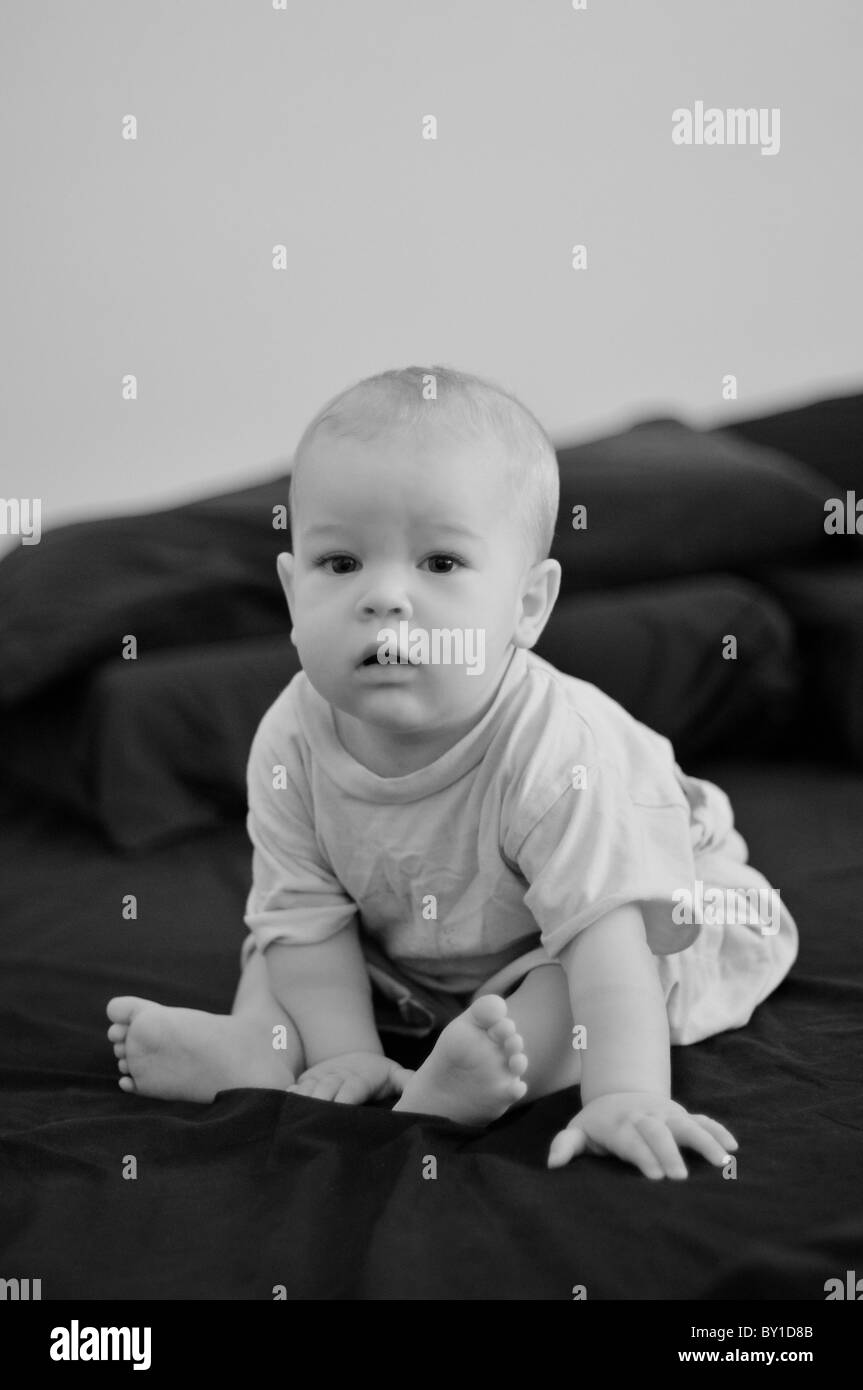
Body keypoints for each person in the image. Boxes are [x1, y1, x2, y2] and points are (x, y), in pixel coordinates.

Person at [107, 364, 798, 1179]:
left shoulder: (557, 750)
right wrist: (350, 1055)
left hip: (616, 922)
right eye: (340, 564)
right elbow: (307, 917)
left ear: (527, 606)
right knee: (277, 945)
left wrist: (625, 1094)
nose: (384, 598)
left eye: (438, 563)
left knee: (576, 984)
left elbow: (610, 951)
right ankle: (264, 1052)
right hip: (417, 950)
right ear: (292, 595)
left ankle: (479, 1084)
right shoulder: (290, 736)